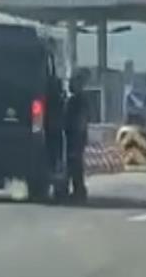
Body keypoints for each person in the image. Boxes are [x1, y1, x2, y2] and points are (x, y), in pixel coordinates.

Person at [65, 69, 90, 200]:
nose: (70, 84)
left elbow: (81, 120)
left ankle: (79, 191)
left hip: (75, 137)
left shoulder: (78, 100)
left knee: (75, 164)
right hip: (74, 136)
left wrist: (77, 139)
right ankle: (76, 190)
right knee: (73, 164)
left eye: (73, 82)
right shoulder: (75, 99)